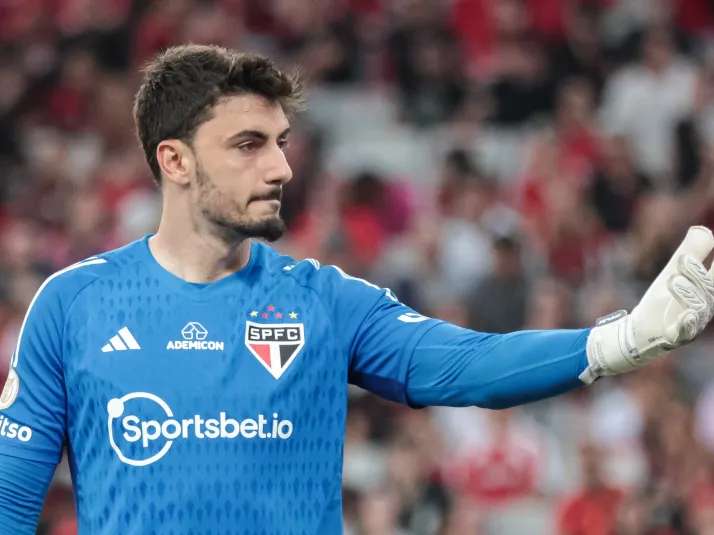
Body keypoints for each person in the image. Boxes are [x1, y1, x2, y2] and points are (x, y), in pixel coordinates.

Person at [0, 44, 713, 534]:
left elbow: (467, 365)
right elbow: (10, 499)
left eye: (281, 142)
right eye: (249, 144)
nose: (281, 168)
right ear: (175, 160)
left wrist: (623, 339)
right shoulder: (72, 306)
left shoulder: (324, 301)